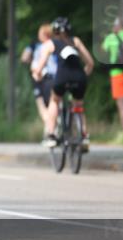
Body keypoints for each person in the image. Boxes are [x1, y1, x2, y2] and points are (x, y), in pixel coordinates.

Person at [31, 17, 95, 150]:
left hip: (62, 77)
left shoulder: (50, 43)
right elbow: (90, 63)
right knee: (78, 105)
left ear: (54, 31)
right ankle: (83, 136)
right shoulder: (75, 41)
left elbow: (40, 66)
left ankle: (51, 135)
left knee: (54, 101)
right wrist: (82, 76)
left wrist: (37, 74)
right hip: (79, 77)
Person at [21, 24, 55, 130]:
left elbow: (24, 58)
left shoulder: (36, 45)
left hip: (41, 76)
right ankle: (50, 125)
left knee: (43, 104)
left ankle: (50, 127)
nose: (38, 35)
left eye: (40, 33)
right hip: (51, 76)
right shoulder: (55, 44)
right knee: (49, 103)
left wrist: (32, 63)